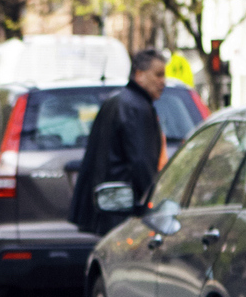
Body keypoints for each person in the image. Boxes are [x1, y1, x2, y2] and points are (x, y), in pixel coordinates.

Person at [68, 48, 170, 237]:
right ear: (139, 75)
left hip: (109, 207)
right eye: (158, 75)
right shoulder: (137, 107)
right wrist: (153, 204)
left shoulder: (117, 101)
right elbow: (141, 162)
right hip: (125, 210)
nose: (163, 81)